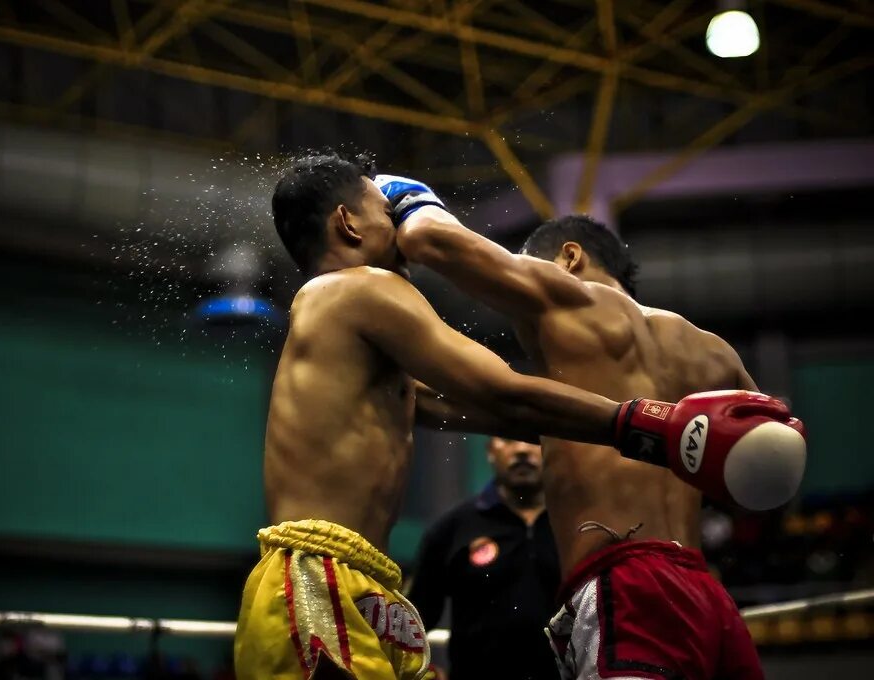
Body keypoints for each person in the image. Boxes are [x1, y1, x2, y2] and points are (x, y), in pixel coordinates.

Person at [232, 153, 760, 680]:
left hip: (360, 578)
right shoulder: (359, 288)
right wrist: (649, 424)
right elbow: (502, 391)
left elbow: (485, 410)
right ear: (348, 223)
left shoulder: (349, 336)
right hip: (315, 575)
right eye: (385, 213)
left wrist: (622, 426)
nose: (397, 226)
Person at [377, 175, 807, 680]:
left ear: (569, 258)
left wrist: (398, 193)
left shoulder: (572, 300)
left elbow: (431, 240)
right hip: (707, 597)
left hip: (629, 586)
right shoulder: (715, 353)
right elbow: (769, 480)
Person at [407, 437, 560, 680]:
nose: (521, 449)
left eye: (532, 439)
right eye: (508, 439)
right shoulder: (452, 528)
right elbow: (413, 622)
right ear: (490, 451)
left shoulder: (576, 528)